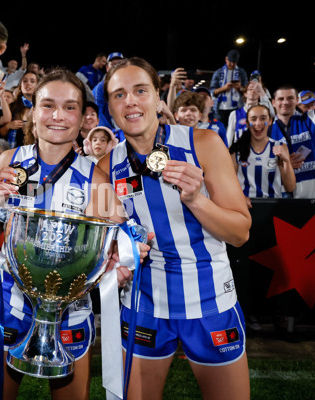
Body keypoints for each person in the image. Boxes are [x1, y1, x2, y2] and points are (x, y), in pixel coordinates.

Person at [0, 68, 147, 400]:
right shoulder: (9, 160)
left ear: (84, 116)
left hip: (71, 312)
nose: (58, 116)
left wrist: (128, 250)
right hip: (9, 305)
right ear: (32, 112)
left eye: (70, 107)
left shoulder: (95, 178)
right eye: (48, 105)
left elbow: (127, 233)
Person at [99, 57, 252, 399]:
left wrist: (197, 199)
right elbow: (106, 239)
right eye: (119, 94)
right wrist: (114, 254)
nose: (131, 101)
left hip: (210, 301)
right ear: (110, 107)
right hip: (144, 304)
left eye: (140, 90)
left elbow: (240, 233)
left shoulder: (204, 143)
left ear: (157, 96)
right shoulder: (105, 167)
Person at [270, 55, 315, 199]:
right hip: (278, 201)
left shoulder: (312, 119)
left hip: (311, 201)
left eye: (290, 98)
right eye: (280, 99)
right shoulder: (264, 131)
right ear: (273, 102)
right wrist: (284, 163)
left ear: (297, 100)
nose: (285, 102)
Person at [229, 104, 296, 207]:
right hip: (244, 208)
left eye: (263, 118)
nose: (258, 123)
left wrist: (286, 161)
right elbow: (229, 185)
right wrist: (239, 198)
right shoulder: (236, 150)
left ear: (270, 121)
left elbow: (290, 187)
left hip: (273, 209)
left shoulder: (280, 147)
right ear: (247, 123)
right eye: (253, 119)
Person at [226, 80, 275, 147]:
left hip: (259, 151)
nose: (253, 91)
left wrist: (261, 90)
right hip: (240, 152)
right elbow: (229, 137)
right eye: (250, 89)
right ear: (245, 93)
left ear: (259, 94)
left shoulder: (263, 112)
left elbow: (272, 114)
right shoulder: (234, 114)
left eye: (256, 90)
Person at [0, 71, 39, 148]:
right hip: (11, 153)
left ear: (38, 86)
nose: (28, 83)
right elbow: (0, 133)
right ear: (20, 86)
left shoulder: (41, 108)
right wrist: (8, 126)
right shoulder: (12, 107)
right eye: (25, 81)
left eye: (32, 81)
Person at [210, 49, 248, 124]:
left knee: (235, 133)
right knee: (220, 133)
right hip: (220, 109)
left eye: (234, 62)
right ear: (226, 59)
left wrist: (239, 88)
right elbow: (212, 92)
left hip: (237, 108)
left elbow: (246, 91)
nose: (231, 64)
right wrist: (224, 88)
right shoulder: (218, 72)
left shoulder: (242, 72)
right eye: (230, 61)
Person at [92, 52, 125, 131]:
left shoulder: (129, 85)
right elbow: (97, 112)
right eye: (113, 64)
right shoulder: (100, 88)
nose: (117, 67)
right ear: (107, 68)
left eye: (120, 64)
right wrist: (109, 132)